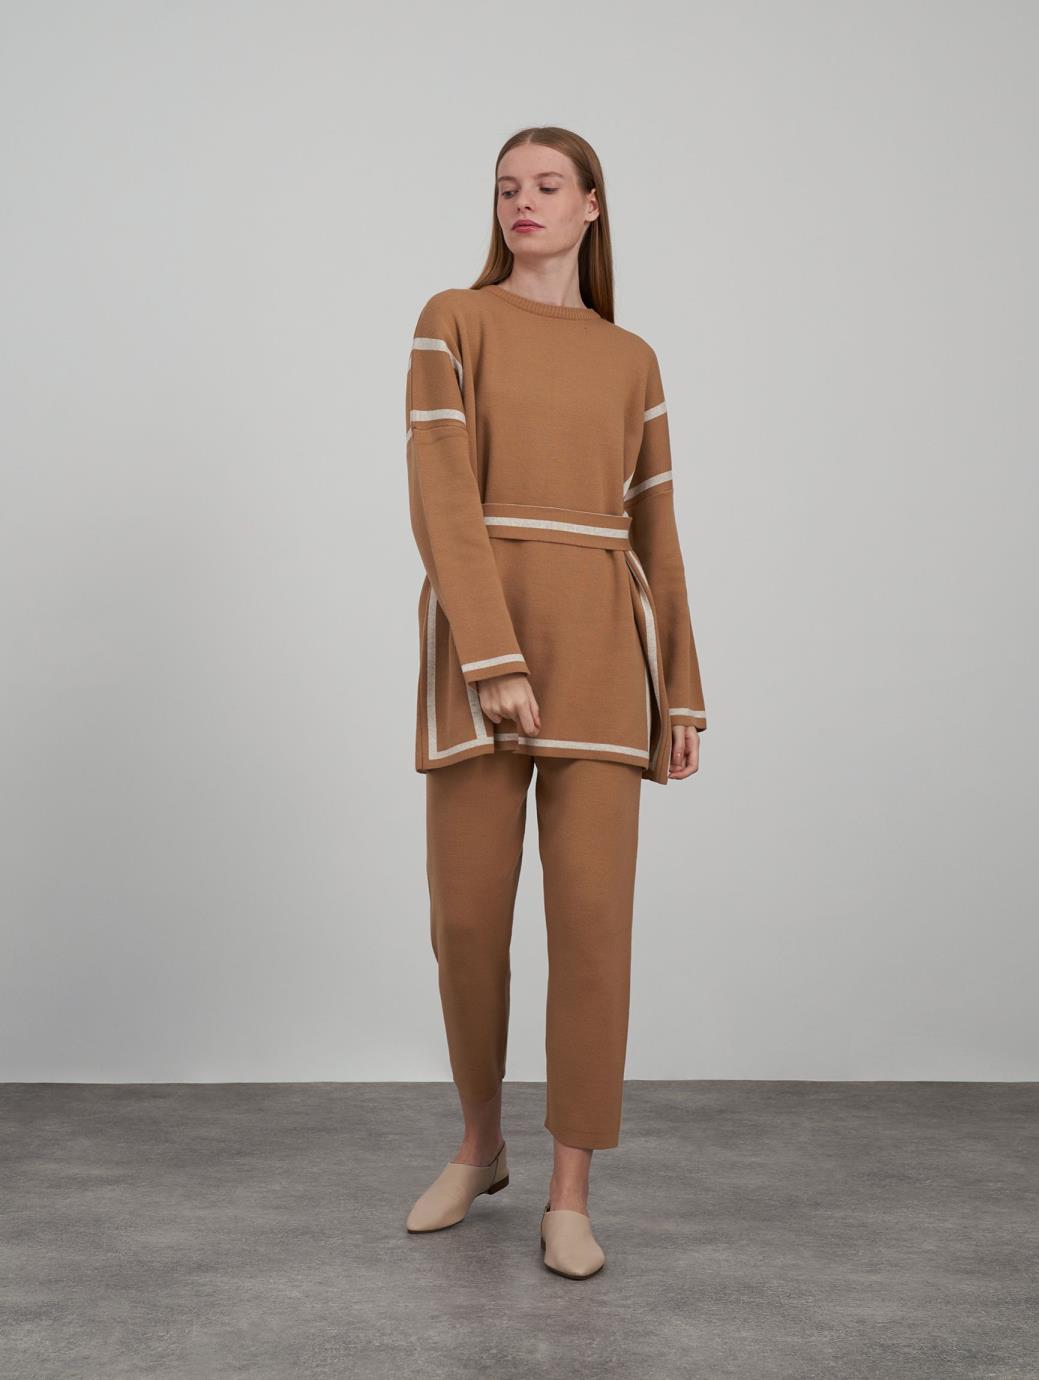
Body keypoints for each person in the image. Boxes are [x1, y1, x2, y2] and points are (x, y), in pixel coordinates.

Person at [402, 126, 707, 1279]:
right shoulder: (454, 319)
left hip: (603, 661)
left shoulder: (632, 358)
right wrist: (491, 655)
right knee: (466, 926)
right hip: (483, 653)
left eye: (545, 186)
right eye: (505, 189)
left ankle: (570, 1194)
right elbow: (440, 492)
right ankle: (480, 1146)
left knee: (591, 933)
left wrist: (682, 692)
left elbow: (659, 532)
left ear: (591, 205)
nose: (521, 202)